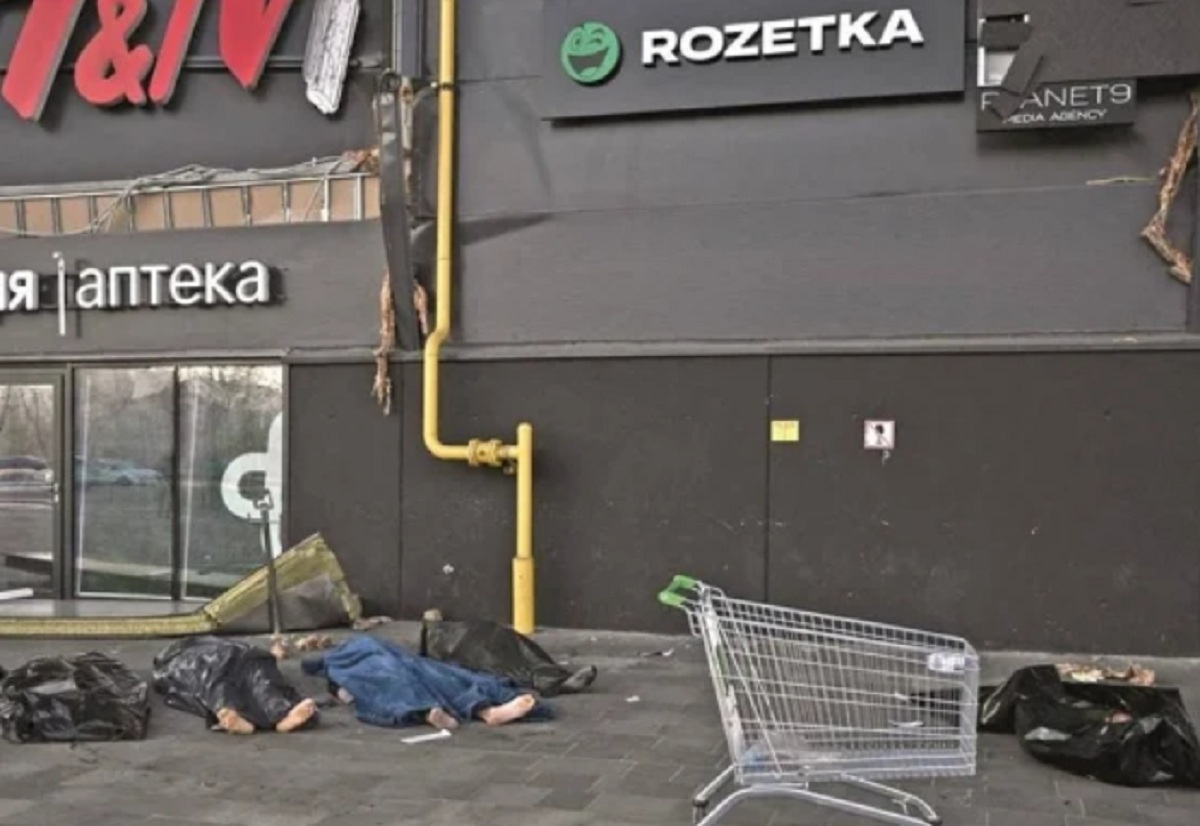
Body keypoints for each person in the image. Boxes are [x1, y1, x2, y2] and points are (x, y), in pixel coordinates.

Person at [302, 634, 553, 730]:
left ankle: (485, 710)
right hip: (372, 665)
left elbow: (310, 666)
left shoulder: (353, 647)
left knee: (430, 676)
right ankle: (478, 710)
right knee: (397, 680)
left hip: (393, 659)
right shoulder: (338, 661)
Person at [153, 637, 318, 735]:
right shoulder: (183, 657)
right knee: (219, 677)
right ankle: (276, 712)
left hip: (240, 656)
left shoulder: (204, 646)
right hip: (214, 660)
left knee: (256, 675)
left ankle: (275, 713)